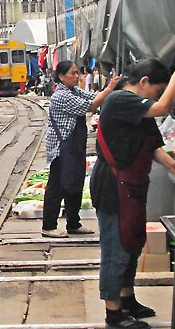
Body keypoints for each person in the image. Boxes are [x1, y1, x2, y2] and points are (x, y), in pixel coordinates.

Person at [90, 55, 175, 329]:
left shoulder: (138, 109)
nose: (158, 95)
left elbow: (151, 145)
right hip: (113, 184)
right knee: (115, 247)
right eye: (157, 89)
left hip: (132, 184)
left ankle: (127, 299)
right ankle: (114, 314)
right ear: (144, 82)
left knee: (132, 243)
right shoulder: (120, 100)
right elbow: (161, 107)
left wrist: (171, 163)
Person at [42, 60, 119, 238]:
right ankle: (48, 225)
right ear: (61, 76)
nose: (77, 76)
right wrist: (109, 89)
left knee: (75, 183)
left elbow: (92, 98)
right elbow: (90, 106)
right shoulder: (60, 95)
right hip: (62, 148)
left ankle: (73, 223)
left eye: (78, 73)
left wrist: (109, 89)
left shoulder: (73, 91)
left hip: (74, 147)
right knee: (57, 185)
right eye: (73, 73)